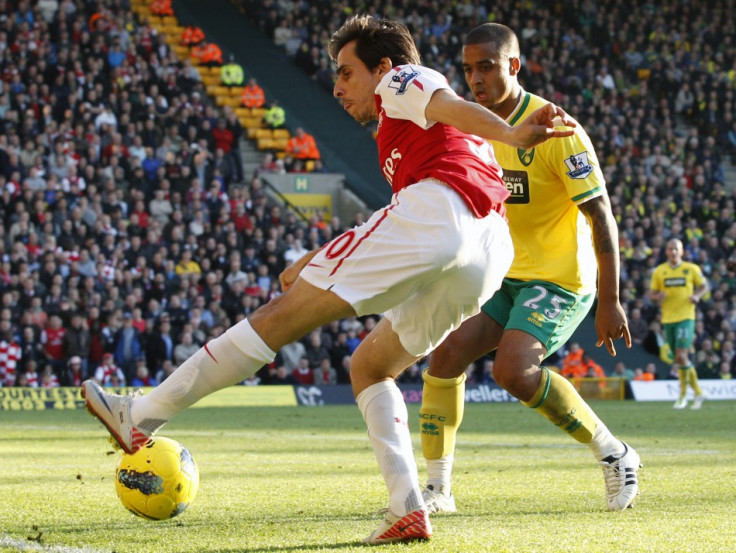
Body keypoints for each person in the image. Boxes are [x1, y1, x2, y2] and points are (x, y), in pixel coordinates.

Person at [81, 14, 573, 545]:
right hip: (488, 248)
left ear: (382, 67)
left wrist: (511, 132)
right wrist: (319, 255)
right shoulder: (413, 135)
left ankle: (142, 416)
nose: (337, 88)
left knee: (279, 317)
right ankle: (407, 506)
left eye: (346, 73)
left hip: (442, 216)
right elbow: (411, 212)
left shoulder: (401, 80)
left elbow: (447, 114)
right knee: (371, 365)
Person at [417, 22, 640, 517]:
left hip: (561, 278)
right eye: (469, 68)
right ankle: (437, 489)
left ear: (513, 66)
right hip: (502, 274)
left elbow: (600, 213)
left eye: (487, 67)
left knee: (513, 371)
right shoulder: (467, 123)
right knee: (446, 355)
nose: (475, 79)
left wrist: (609, 298)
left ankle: (615, 453)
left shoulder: (556, 127)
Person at [648, 238, 710, 409]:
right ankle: (697, 393)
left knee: (681, 355)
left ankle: (684, 395)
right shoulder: (660, 271)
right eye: (670, 249)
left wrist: (697, 296)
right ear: (666, 251)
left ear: (682, 251)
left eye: (676, 249)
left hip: (686, 317)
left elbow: (705, 286)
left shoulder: (691, 269)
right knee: (678, 358)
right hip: (668, 319)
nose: (673, 252)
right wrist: (656, 296)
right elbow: (651, 293)